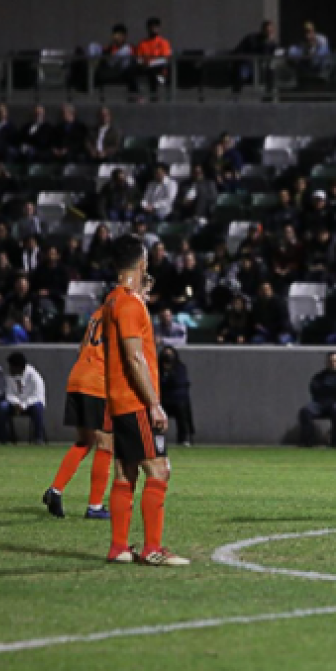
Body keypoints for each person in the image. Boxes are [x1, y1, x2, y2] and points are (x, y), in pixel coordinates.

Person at [102, 234, 187, 566]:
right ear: (142, 264)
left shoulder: (114, 299)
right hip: (134, 401)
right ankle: (152, 548)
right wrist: (153, 402)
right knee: (159, 470)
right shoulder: (128, 303)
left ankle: (119, 547)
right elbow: (134, 357)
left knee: (126, 474)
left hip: (118, 401)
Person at [45, 303, 114, 520]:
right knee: (105, 443)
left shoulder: (97, 314)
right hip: (97, 382)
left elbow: (81, 347)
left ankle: (55, 490)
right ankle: (94, 506)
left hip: (77, 377)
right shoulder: (125, 312)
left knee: (85, 441)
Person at [299, 352, 336, 448]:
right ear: (327, 363)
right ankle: (307, 441)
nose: (333, 363)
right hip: (320, 403)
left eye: (335, 361)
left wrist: (326, 386)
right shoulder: (320, 375)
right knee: (305, 411)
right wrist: (330, 386)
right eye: (330, 361)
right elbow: (314, 387)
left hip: (335, 403)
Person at [4, 353, 47, 445]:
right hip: (15, 404)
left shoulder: (34, 376)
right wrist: (16, 403)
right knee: (2, 407)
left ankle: (38, 438)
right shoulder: (10, 376)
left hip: (31, 404)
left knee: (37, 408)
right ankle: (3, 437)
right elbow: (8, 394)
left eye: (12, 367)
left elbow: (37, 396)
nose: (10, 369)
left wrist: (23, 405)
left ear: (19, 367)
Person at [159, 347, 194, 447]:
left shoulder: (180, 367)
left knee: (182, 408)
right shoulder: (158, 368)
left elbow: (180, 384)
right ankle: (157, 440)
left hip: (177, 400)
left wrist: (169, 375)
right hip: (163, 400)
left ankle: (184, 439)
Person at [130, 17, 172, 99]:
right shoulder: (142, 43)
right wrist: (142, 62)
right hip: (145, 69)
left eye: (156, 27)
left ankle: (155, 98)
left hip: (160, 71)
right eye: (152, 27)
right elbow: (139, 58)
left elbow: (165, 58)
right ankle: (136, 97)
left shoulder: (164, 42)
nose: (154, 29)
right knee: (131, 71)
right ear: (148, 28)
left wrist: (151, 63)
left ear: (159, 28)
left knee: (155, 73)